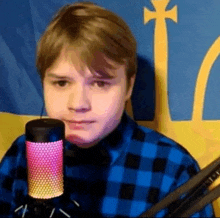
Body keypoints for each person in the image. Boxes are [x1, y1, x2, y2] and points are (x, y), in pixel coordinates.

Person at [0, 1, 215, 217]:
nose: (78, 104)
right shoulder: (20, 156)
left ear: (128, 87)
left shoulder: (171, 169)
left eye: (100, 83)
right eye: (62, 83)